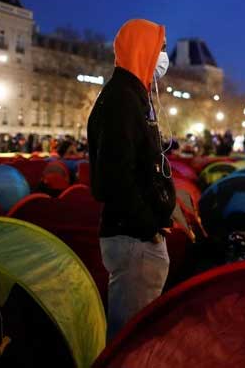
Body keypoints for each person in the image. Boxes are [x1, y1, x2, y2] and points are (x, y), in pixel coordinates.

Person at [88, 18, 176, 339]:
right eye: (161, 49)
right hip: (133, 238)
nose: (165, 57)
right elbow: (116, 176)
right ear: (143, 49)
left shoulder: (133, 95)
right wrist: (147, 226)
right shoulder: (122, 100)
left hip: (136, 235)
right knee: (131, 337)